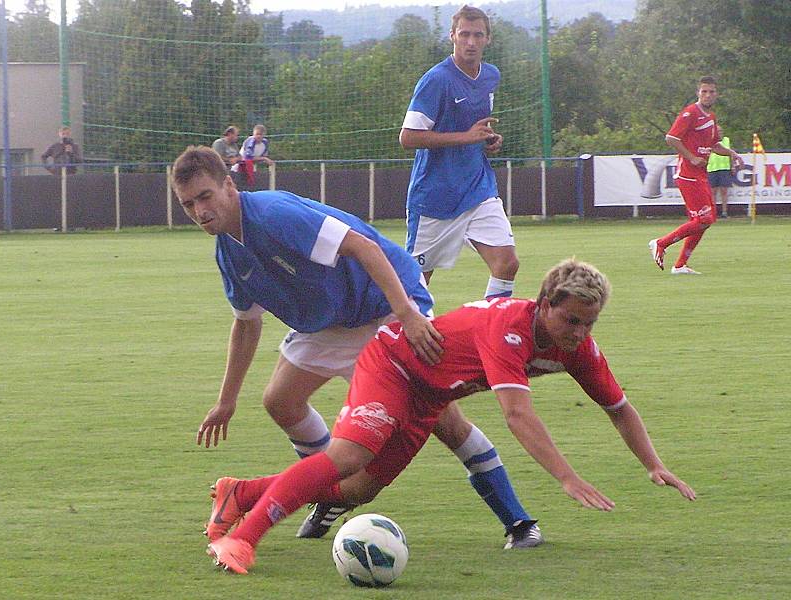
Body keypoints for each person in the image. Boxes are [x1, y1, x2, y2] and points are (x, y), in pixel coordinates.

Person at [204, 259, 696, 574]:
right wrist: (567, 478)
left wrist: (652, 463)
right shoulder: (509, 327)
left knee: (358, 490)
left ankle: (241, 493)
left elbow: (619, 408)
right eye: (571, 320)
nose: (579, 332)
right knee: (349, 455)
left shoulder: (578, 348)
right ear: (544, 304)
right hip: (392, 364)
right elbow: (517, 414)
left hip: (427, 398)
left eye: (589, 323)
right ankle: (243, 540)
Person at [171, 146, 538, 549]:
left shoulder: (274, 214)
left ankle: (518, 521)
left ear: (228, 185)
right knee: (281, 400)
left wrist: (409, 315)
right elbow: (245, 325)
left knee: (443, 420)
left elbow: (365, 247)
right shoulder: (228, 251)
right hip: (333, 321)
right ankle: (331, 491)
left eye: (205, 196)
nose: (199, 210)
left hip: (386, 306)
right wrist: (226, 401)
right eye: (188, 204)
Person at [399, 5, 518, 300]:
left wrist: (485, 140)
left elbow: (473, 129)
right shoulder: (436, 80)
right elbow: (408, 137)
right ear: (452, 36)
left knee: (507, 264)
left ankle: (493, 332)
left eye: (478, 35)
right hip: (435, 198)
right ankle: (399, 340)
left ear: (488, 39)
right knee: (415, 287)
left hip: (478, 189)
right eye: (464, 34)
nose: (471, 42)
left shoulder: (491, 76)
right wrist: (466, 138)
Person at [649, 76, 743, 275]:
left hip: (700, 175)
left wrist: (732, 153)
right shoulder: (690, 112)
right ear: (697, 93)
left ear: (716, 94)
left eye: (711, 92)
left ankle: (680, 265)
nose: (708, 95)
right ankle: (661, 243)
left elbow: (715, 145)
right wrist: (691, 157)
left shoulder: (711, 117)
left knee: (706, 221)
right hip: (687, 175)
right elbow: (671, 138)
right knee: (703, 220)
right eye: (704, 91)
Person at [707, 128, 734, 218]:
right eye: (718, 131)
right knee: (712, 192)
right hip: (712, 168)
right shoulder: (709, 140)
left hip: (724, 168)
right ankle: (713, 212)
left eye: (721, 131)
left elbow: (730, 153)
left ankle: (724, 212)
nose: (720, 133)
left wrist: (732, 166)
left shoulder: (726, 140)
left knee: (724, 191)